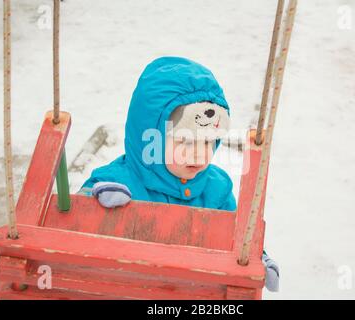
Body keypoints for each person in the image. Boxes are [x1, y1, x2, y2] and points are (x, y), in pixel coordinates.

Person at [79, 56, 279, 292]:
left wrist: (257, 255)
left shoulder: (216, 189)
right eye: (185, 141)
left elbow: (233, 236)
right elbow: (73, 218)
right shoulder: (120, 180)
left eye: (208, 142)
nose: (199, 155)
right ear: (151, 138)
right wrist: (95, 201)